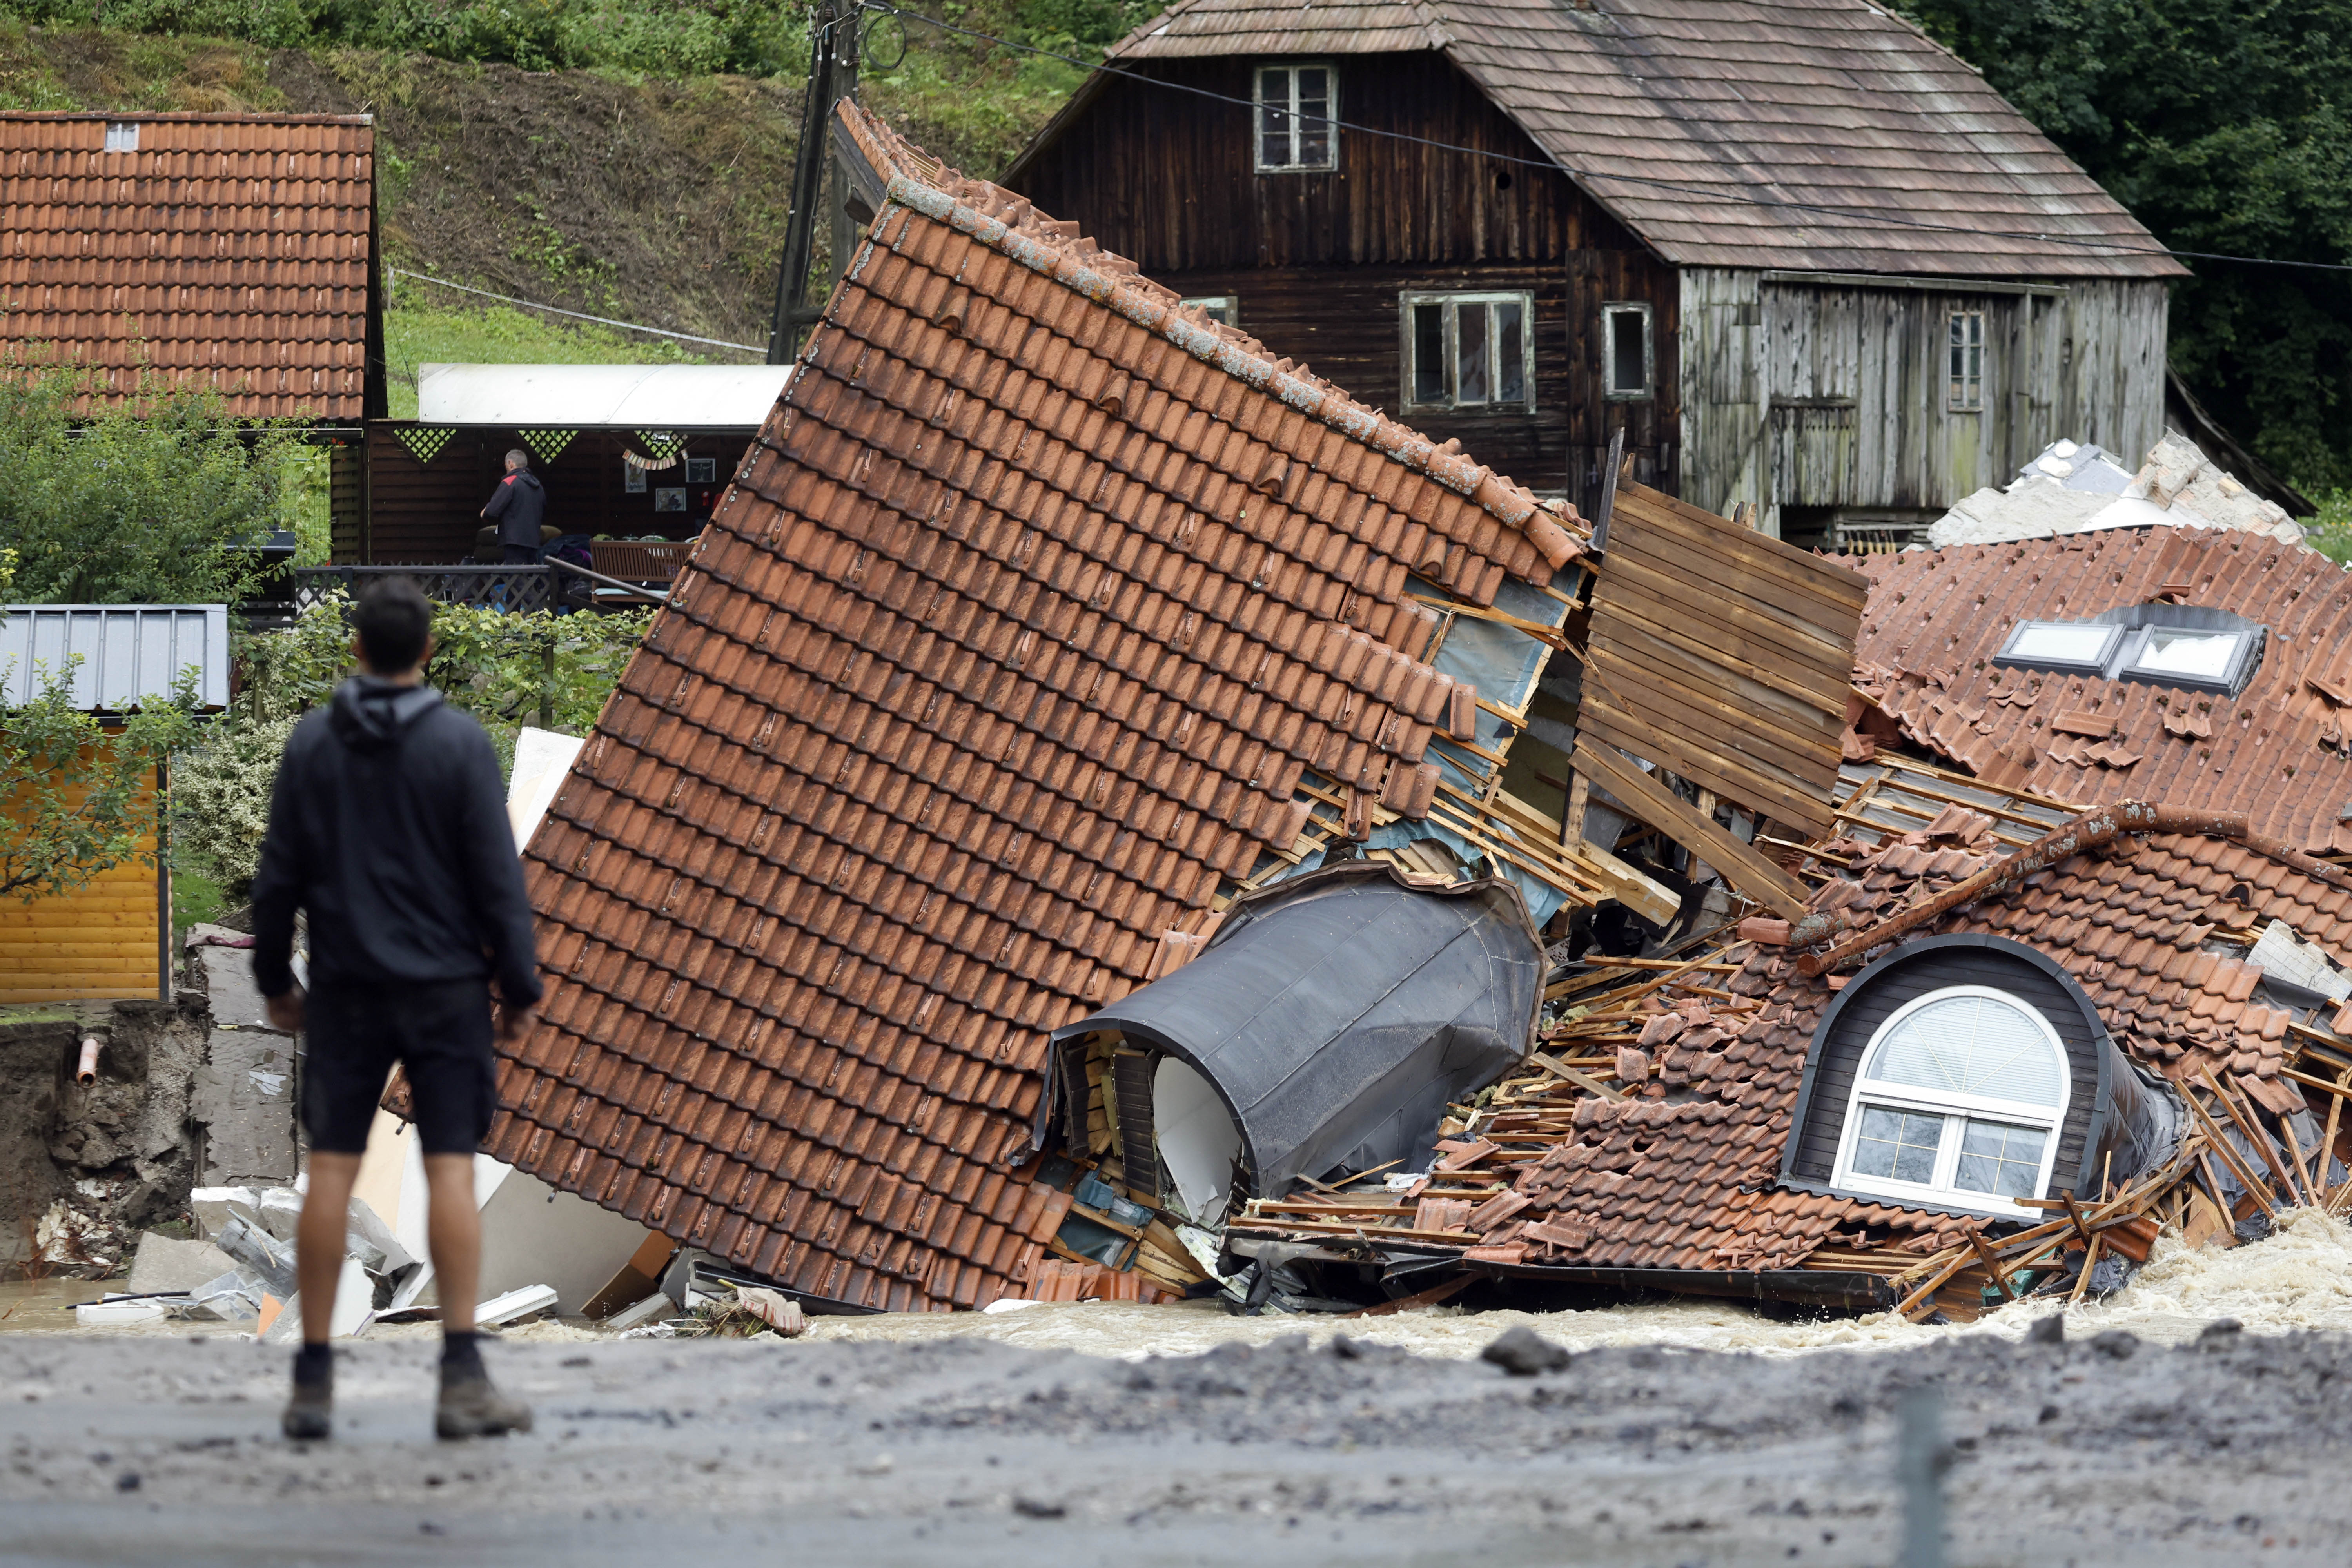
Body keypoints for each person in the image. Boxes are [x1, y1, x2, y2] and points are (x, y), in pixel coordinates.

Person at [250, 575, 543, 1442]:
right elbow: (499, 883)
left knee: (331, 1172)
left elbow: (279, 876)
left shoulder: (313, 744)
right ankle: (459, 1378)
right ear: (426, 650)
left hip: (344, 988)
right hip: (446, 991)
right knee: (449, 1168)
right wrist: (519, 988)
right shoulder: (458, 744)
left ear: (356, 651)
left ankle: (311, 1382)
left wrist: (276, 981)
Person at [481, 448, 547, 564]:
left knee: (517, 579)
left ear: (511, 464)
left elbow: (492, 511)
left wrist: (485, 513)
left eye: (506, 465)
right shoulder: (538, 486)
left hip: (514, 542)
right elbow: (544, 509)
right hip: (534, 541)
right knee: (531, 578)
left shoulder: (510, 482)